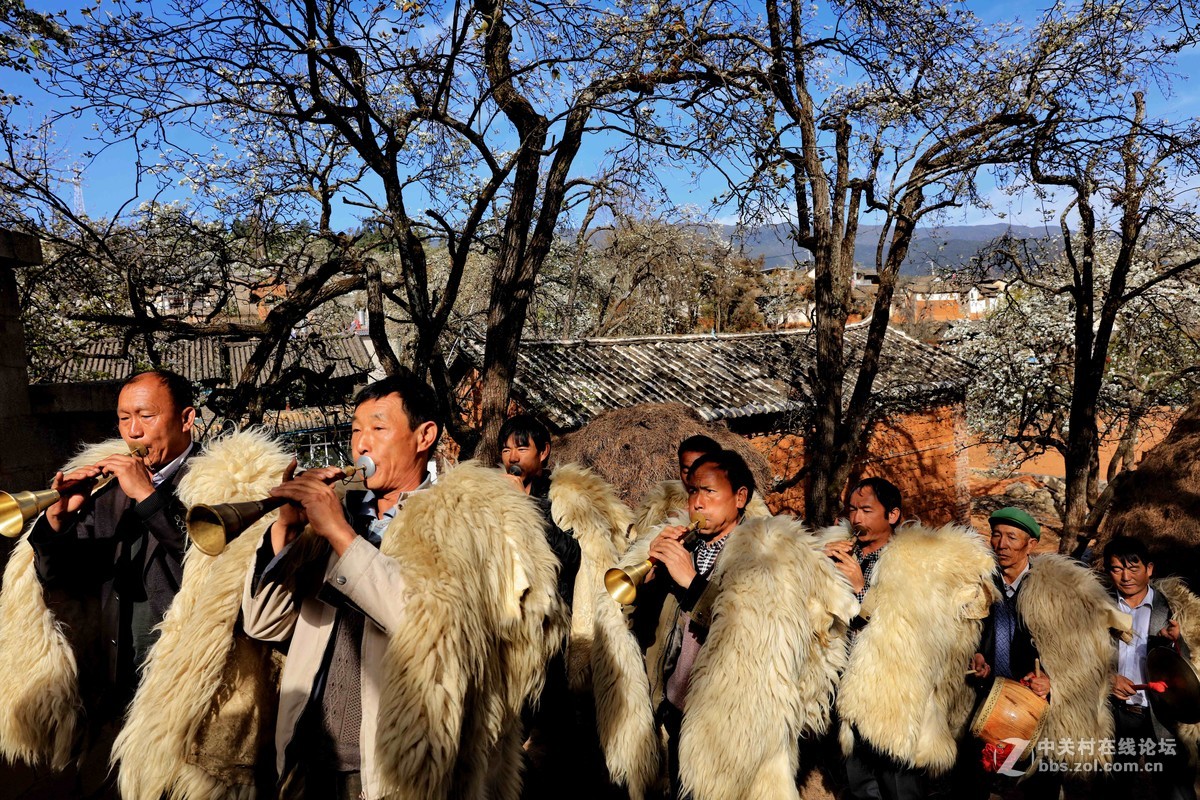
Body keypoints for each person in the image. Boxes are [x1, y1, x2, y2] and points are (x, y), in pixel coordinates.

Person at [239, 375, 565, 800]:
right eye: (355, 430)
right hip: (305, 756)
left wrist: (341, 535)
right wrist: (285, 527)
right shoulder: (339, 520)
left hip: (387, 773)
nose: (361, 445)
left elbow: (430, 628)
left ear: (424, 435)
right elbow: (263, 623)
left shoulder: (462, 518)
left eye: (377, 428)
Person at [594, 449, 857, 799]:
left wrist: (692, 583)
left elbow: (753, 634)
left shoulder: (768, 554)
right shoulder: (683, 546)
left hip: (733, 727)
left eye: (709, 492)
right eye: (692, 492)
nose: (697, 503)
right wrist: (651, 579)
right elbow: (644, 628)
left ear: (741, 498)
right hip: (676, 710)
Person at [0, 369, 196, 797]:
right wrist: (58, 519)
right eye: (124, 419)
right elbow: (59, 580)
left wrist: (149, 498)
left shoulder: (220, 482)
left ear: (186, 419)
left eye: (145, 416)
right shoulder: (108, 488)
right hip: (109, 690)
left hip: (183, 696)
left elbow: (210, 568)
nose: (133, 432)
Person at [956, 507, 1132, 798]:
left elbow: (1084, 655)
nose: (1002, 544)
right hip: (987, 703)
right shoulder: (980, 586)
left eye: (1012, 537)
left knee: (1037, 787)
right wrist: (976, 657)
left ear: (1031, 544)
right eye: (997, 535)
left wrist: (1053, 682)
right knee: (976, 780)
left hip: (1036, 709)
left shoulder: (1056, 592)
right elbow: (967, 635)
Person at [498, 413, 630, 799]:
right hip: (509, 639)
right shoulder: (491, 497)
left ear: (544, 452)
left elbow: (571, 557)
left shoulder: (563, 501)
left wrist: (525, 508)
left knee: (556, 743)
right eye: (506, 448)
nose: (512, 456)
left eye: (522, 447)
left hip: (557, 641)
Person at [1100, 536, 1197, 800]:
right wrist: (1107, 679)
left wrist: (1177, 643)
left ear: (1149, 569)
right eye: (1116, 569)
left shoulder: (1172, 609)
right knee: (1112, 789)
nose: (1125, 577)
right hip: (1117, 715)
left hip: (1161, 715)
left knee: (1177, 790)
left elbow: (1191, 665)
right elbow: (1080, 659)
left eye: (1133, 568)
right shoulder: (1097, 607)